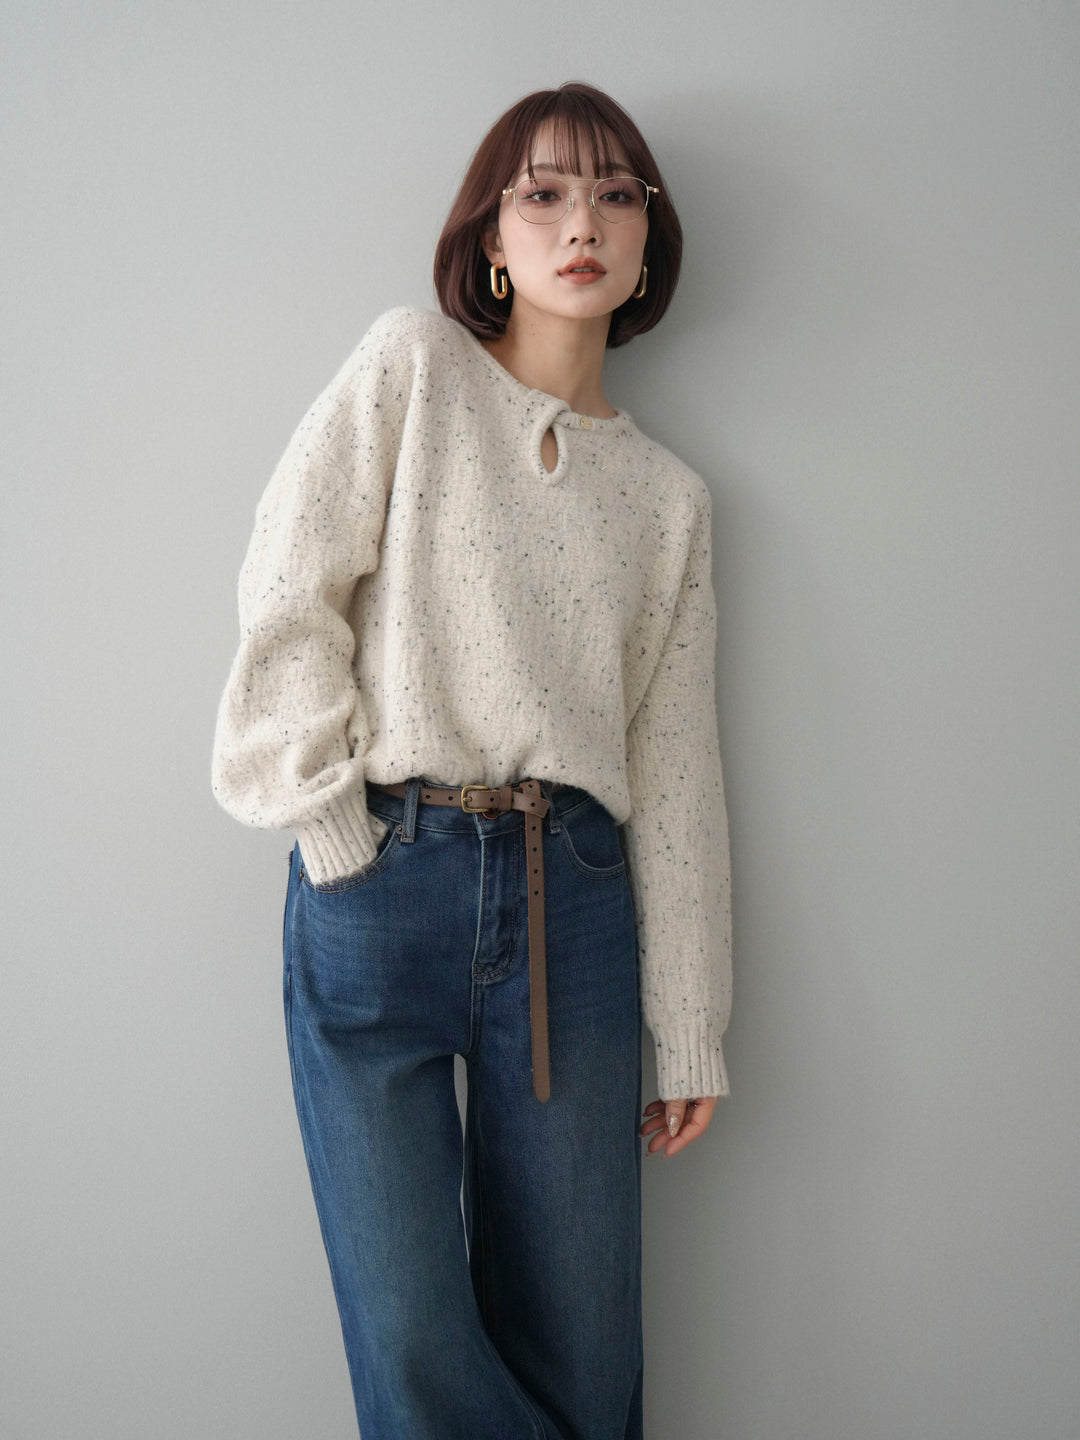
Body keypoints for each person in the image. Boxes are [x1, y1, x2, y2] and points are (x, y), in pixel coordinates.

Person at [211, 80, 732, 1440]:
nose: (583, 224)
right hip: (384, 876)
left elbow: (677, 774)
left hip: (577, 904)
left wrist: (691, 1021)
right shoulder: (414, 369)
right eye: (544, 194)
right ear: (493, 239)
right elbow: (287, 587)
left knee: (584, 1350)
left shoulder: (669, 503)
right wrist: (335, 831)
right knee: (409, 1337)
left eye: (615, 195)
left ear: (648, 240)